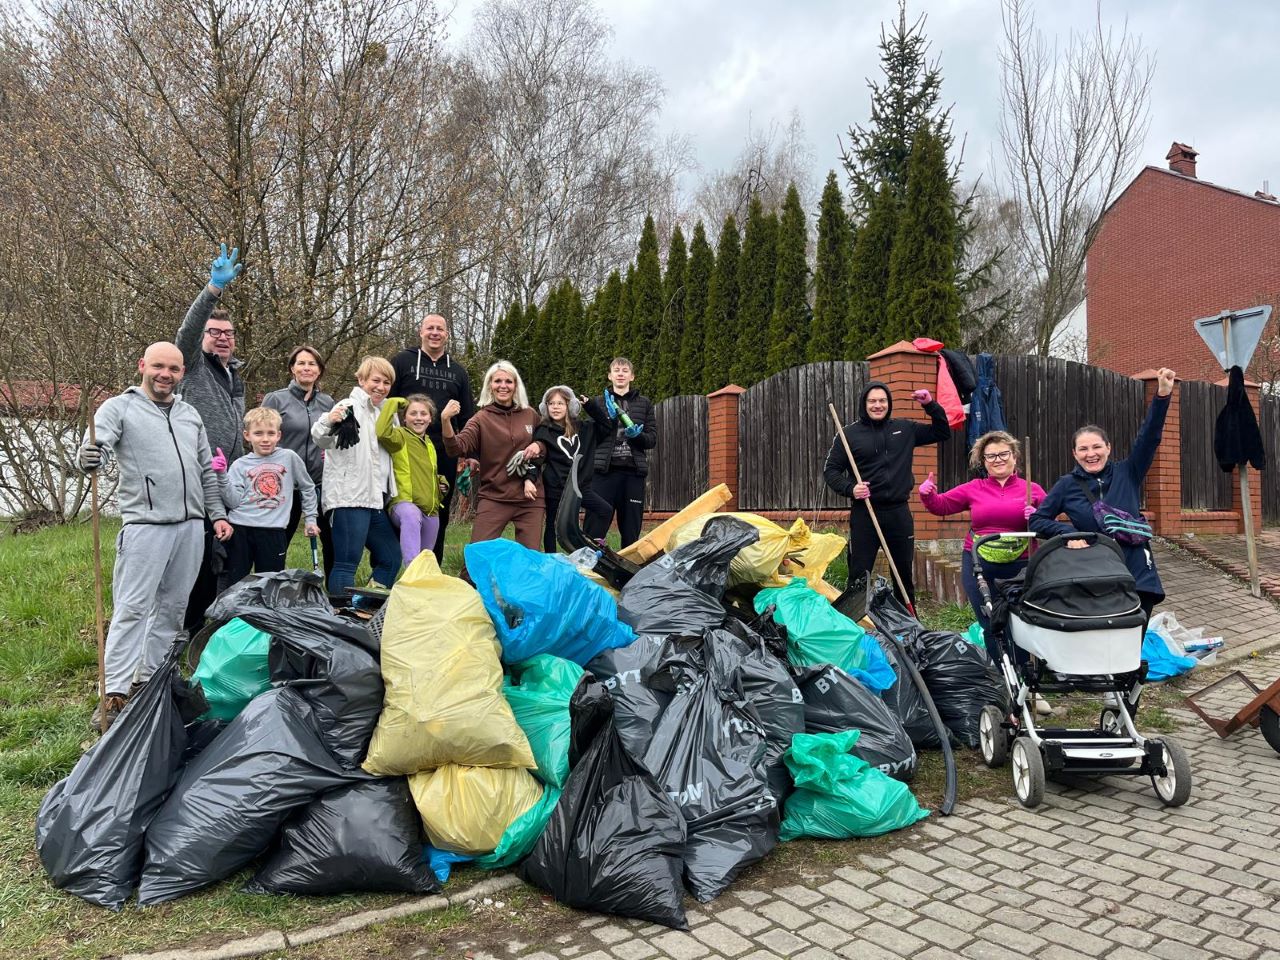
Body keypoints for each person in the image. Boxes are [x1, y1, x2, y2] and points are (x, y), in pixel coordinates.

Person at [77, 342, 231, 730]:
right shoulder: (118, 408)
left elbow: (205, 470)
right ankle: (113, 694)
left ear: (182, 373)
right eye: (158, 366)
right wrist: (89, 457)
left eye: (174, 369)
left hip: (190, 527)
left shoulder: (190, 414)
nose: (166, 374)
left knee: (173, 609)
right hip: (145, 526)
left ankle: (149, 681)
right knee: (131, 609)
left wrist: (215, 515)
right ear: (142, 365)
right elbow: (98, 448)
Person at [1031, 367, 1177, 624]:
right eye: (1083, 449)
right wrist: (1069, 534)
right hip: (1095, 571)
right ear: (1075, 454)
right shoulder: (1067, 485)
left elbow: (1149, 437)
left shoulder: (1128, 471)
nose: (1091, 453)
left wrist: (1162, 396)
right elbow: (1037, 521)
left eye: (1097, 446)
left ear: (1108, 448)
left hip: (1137, 570)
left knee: (1134, 638)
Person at [823, 380, 950, 608]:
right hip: (866, 514)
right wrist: (850, 488)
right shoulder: (849, 435)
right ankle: (854, 626)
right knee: (859, 577)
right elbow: (831, 470)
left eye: (882, 400)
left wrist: (930, 405)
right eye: (872, 401)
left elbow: (942, 431)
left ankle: (909, 625)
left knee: (903, 576)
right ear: (864, 403)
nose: (878, 405)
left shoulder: (904, 429)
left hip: (898, 513)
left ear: (888, 403)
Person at [176, 242, 245, 632]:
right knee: (200, 559)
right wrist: (213, 289)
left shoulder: (235, 374)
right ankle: (184, 630)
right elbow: (185, 332)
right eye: (215, 332)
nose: (222, 338)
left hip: (228, 478)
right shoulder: (194, 368)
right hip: (199, 477)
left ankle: (210, 627)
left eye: (228, 333)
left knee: (224, 558)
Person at [918, 431, 1047, 639]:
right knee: (990, 623)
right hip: (979, 565)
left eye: (1004, 454)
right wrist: (927, 495)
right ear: (984, 461)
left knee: (1023, 623)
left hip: (1022, 567)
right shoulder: (974, 488)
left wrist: (1039, 516)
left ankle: (1022, 669)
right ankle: (1001, 669)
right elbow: (941, 506)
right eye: (991, 456)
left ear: (1015, 457)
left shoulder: (1032, 489)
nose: (998, 460)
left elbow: (1051, 523)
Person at [389, 313, 475, 565]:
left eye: (440, 329)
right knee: (403, 508)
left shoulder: (458, 371)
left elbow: (468, 416)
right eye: (430, 328)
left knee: (438, 509)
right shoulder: (403, 361)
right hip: (405, 446)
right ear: (421, 332)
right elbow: (387, 402)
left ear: (447, 334)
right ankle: (397, 564)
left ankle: (431, 566)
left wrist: (467, 454)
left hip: (444, 450)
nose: (435, 333)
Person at [312, 357, 401, 596]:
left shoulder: (388, 414)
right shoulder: (348, 406)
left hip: (375, 501)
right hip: (349, 498)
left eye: (386, 382)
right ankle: (341, 622)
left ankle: (363, 606)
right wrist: (329, 421)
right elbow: (320, 437)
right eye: (375, 380)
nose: (381, 387)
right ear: (361, 380)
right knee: (346, 563)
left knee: (391, 558)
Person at [441, 361, 544, 558]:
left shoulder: (530, 414)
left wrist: (539, 445)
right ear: (490, 386)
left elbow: (547, 441)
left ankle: (521, 589)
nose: (503, 385)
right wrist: (446, 420)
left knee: (530, 558)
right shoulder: (481, 418)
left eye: (508, 381)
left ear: (516, 386)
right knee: (477, 556)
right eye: (497, 381)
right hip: (495, 496)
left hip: (530, 497)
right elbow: (456, 448)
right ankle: (469, 586)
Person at [215, 407, 319, 586]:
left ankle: (263, 615)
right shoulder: (240, 464)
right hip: (240, 530)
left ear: (279, 435)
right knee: (236, 582)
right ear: (247, 436)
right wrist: (221, 476)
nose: (265, 439)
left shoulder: (289, 458)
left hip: (274, 531)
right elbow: (233, 501)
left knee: (271, 583)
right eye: (258, 433)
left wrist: (311, 519)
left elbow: (308, 487)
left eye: (270, 433)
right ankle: (235, 614)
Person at [262, 345, 336, 581]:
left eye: (312, 364)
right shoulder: (275, 399)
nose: (306, 368)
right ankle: (270, 591)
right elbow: (260, 435)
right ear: (292, 368)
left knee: (332, 541)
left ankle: (333, 598)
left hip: (320, 484)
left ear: (319, 370)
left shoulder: (328, 402)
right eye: (301, 363)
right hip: (284, 485)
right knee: (277, 544)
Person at [581, 357, 656, 548]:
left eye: (624, 370)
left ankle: (628, 572)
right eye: (616, 370)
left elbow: (651, 440)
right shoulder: (598, 403)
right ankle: (588, 567)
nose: (620, 373)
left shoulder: (644, 404)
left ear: (632, 376)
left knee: (631, 530)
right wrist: (608, 420)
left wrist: (636, 436)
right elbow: (591, 438)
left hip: (633, 474)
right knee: (594, 526)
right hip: (603, 473)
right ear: (610, 375)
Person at [533, 385, 612, 553]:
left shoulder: (584, 429)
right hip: (556, 488)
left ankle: (591, 548)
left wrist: (591, 406)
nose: (555, 407)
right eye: (551, 403)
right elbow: (536, 459)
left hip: (581, 487)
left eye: (560, 403)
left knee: (605, 510)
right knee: (552, 525)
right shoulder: (543, 430)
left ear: (570, 406)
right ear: (545, 407)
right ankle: (552, 559)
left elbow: (606, 427)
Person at [377, 393, 447, 567]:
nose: (418, 418)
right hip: (404, 503)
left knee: (426, 559)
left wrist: (441, 483)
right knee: (411, 515)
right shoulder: (400, 436)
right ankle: (410, 574)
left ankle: (421, 584)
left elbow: (426, 472)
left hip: (430, 509)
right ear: (404, 418)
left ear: (430, 419)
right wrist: (392, 404)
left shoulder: (430, 444)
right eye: (413, 413)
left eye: (423, 414)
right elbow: (381, 433)